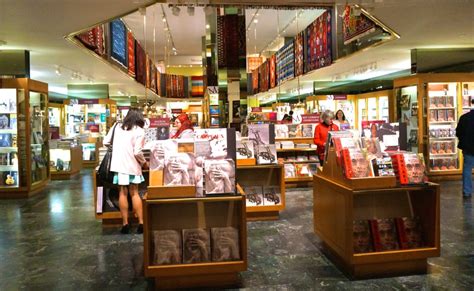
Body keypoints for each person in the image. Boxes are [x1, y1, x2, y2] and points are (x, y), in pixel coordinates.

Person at [103, 108, 148, 234]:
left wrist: (118, 148)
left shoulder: (116, 127)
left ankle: (125, 224)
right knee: (134, 193)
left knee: (122, 193)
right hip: (132, 165)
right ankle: (141, 223)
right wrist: (144, 163)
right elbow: (137, 152)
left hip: (118, 165)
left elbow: (106, 141)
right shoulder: (139, 131)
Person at [456, 99, 474, 199]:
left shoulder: (464, 117)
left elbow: (458, 132)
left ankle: (467, 192)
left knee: (467, 170)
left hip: (468, 149)